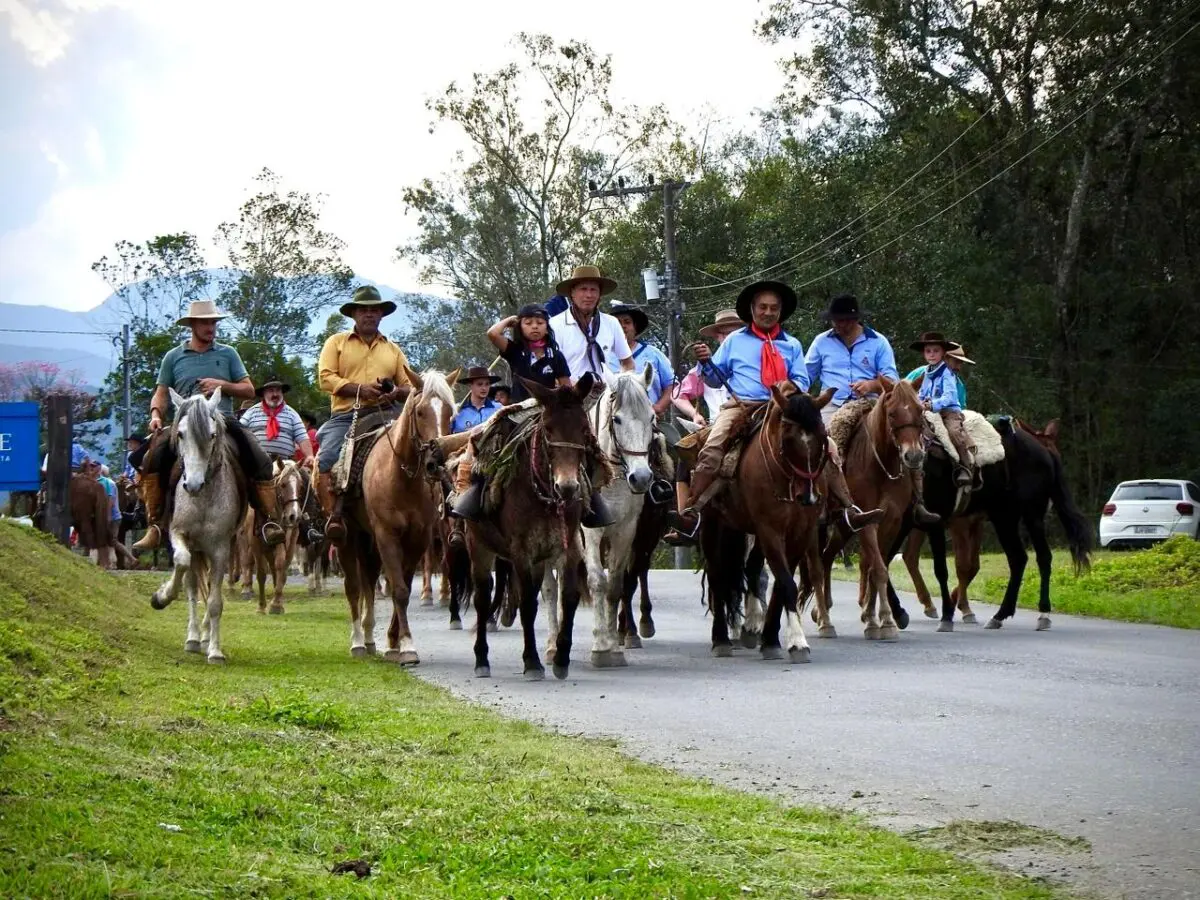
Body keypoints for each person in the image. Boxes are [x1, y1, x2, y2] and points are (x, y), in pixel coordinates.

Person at [671, 281, 882, 537]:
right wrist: (706, 364)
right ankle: (692, 512)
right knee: (714, 446)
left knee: (827, 446)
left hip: (785, 407)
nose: (768, 312)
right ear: (753, 309)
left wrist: (788, 388)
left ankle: (848, 510)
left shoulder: (791, 344)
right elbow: (715, 379)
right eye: (763, 307)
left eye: (774, 308)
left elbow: (804, 379)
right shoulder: (734, 341)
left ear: (780, 311)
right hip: (742, 405)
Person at [130, 299, 286, 551]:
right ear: (192, 325)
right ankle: (155, 524)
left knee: (259, 457)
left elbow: (248, 389)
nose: (210, 327)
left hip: (221, 420)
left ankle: (267, 520)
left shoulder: (228, 353)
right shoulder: (173, 357)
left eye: (213, 322)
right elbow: (160, 392)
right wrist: (156, 414)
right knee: (150, 457)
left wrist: (220, 386)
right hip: (185, 423)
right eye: (205, 322)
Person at [805, 293, 938, 525]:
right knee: (820, 441)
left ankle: (918, 501)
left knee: (916, 434)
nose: (841, 325)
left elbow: (892, 379)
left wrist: (872, 385)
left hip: (872, 404)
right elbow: (806, 376)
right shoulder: (821, 342)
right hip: (833, 405)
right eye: (837, 320)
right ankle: (823, 499)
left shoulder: (878, 342)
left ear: (856, 319)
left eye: (846, 320)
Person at [315, 285, 414, 542]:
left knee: (423, 448)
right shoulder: (335, 343)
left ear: (381, 315)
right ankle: (333, 516)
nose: (369, 314)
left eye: (374, 310)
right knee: (326, 458)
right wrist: (360, 389)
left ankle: (435, 508)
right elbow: (325, 378)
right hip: (348, 414)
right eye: (364, 310)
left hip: (389, 412)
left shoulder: (393, 349)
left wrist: (394, 392)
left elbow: (411, 386)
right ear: (354, 314)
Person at [663, 308, 742, 545]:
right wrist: (695, 414)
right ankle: (686, 521)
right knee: (683, 458)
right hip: (715, 424)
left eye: (734, 332)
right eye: (723, 333)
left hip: (748, 416)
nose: (727, 338)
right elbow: (677, 394)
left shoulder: (749, 358)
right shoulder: (704, 367)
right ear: (717, 337)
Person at [548, 265, 634, 382]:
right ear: (572, 293)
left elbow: (628, 363)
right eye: (583, 289)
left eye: (593, 290)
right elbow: (551, 369)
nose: (589, 295)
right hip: (570, 395)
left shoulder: (611, 323)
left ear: (599, 294)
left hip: (605, 394)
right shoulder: (555, 325)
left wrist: (622, 384)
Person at [911, 332, 976, 487]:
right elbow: (922, 391)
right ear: (924, 354)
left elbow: (950, 397)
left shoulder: (947, 373)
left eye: (936, 351)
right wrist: (919, 401)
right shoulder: (926, 372)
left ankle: (964, 465)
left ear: (943, 353)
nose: (932, 354)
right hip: (929, 409)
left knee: (954, 432)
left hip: (948, 411)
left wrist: (933, 404)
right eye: (928, 351)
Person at [488, 303, 571, 402]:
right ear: (520, 328)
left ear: (546, 329)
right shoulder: (514, 350)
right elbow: (492, 334)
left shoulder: (556, 356)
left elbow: (567, 390)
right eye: (528, 323)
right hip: (519, 412)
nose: (535, 326)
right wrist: (510, 320)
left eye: (540, 323)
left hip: (547, 410)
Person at [608, 302, 676, 418]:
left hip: (651, 421)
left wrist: (659, 407)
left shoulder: (653, 354)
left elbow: (672, 385)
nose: (623, 326)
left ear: (635, 328)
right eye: (617, 323)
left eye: (627, 322)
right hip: (612, 424)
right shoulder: (602, 356)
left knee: (673, 436)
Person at [240, 375, 315, 464]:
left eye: (278, 390)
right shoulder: (251, 412)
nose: (275, 394)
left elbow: (302, 438)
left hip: (284, 465)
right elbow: (239, 432)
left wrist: (309, 456)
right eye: (271, 391)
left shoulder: (292, 414)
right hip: (255, 464)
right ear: (264, 394)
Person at [906, 342, 970, 408]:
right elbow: (902, 391)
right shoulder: (919, 373)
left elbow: (961, 407)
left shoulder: (959, 385)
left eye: (961, 363)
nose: (959, 367)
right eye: (956, 362)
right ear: (945, 358)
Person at [452, 366, 503, 433]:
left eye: (487, 384)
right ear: (470, 386)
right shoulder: (456, 411)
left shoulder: (498, 408)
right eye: (480, 384)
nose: (484, 388)